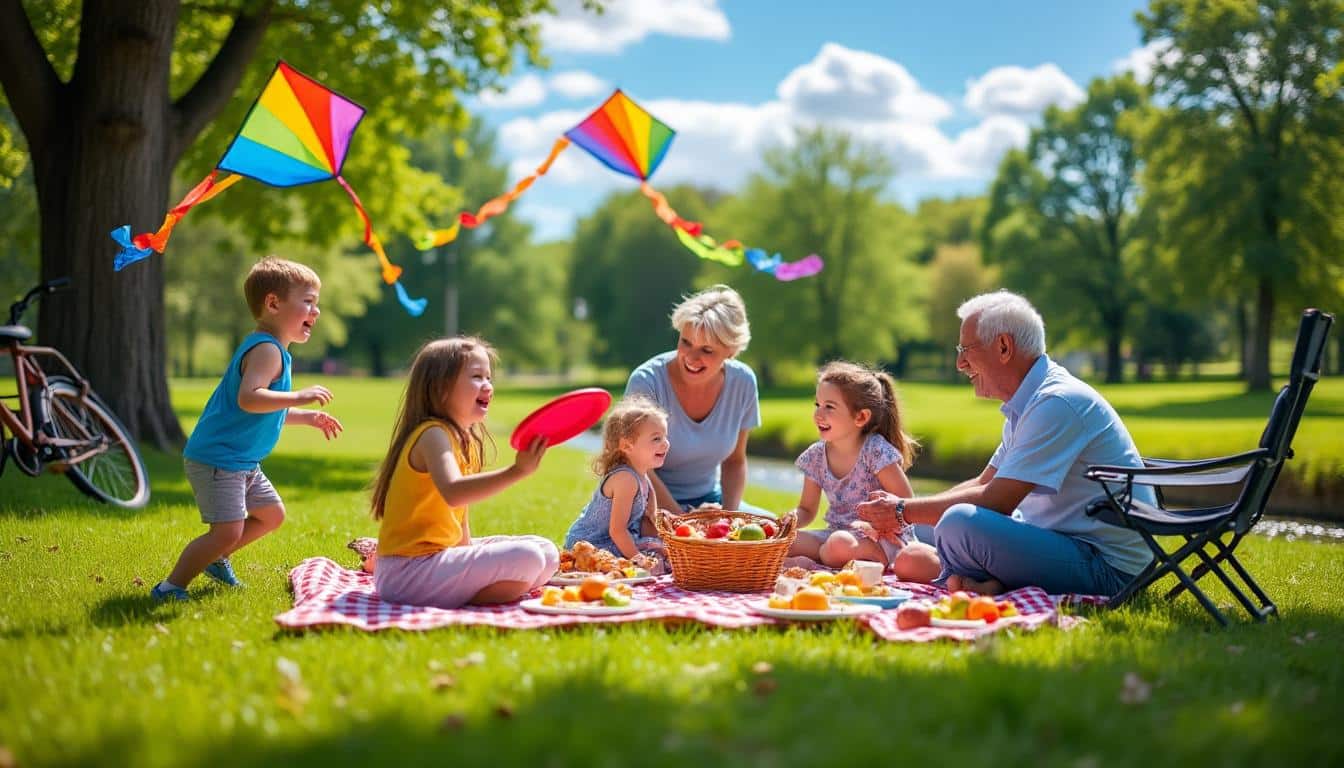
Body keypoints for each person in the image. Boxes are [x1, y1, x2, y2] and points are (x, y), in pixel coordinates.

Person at [857, 291, 1154, 596]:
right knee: (922, 527)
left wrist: (902, 510)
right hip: (1062, 543)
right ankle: (974, 579)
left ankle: (959, 577)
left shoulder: (1056, 402)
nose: (960, 363)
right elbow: (984, 481)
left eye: (965, 349)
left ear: (1003, 346)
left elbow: (997, 500)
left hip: (1107, 567)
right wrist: (906, 513)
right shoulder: (1028, 402)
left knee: (957, 523)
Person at [152, 257, 344, 602]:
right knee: (226, 531)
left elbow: (265, 411)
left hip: (241, 462)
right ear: (273, 303)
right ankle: (171, 587)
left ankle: (217, 558)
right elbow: (249, 398)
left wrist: (305, 416)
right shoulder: (267, 350)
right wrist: (297, 395)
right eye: (308, 302)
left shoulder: (275, 351)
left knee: (271, 515)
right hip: (219, 460)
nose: (315, 312)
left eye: (316, 303)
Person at [370, 336, 559, 609]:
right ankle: (467, 596)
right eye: (476, 376)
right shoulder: (432, 434)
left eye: (489, 377)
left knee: (547, 552)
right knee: (528, 557)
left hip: (436, 560)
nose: (488, 386)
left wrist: (469, 557)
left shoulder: (463, 438)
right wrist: (517, 471)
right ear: (441, 388)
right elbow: (454, 492)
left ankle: (466, 590)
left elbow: (460, 519)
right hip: (406, 573)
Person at [784, 361, 941, 582]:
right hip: (838, 534)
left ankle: (827, 563)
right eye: (817, 404)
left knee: (835, 547)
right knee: (786, 541)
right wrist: (789, 520)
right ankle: (825, 562)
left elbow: (905, 500)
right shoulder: (815, 456)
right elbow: (806, 509)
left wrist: (879, 527)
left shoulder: (874, 450)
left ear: (860, 417)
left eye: (829, 406)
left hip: (882, 539)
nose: (819, 413)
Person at [624, 284, 767, 514]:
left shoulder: (743, 382)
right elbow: (638, 467)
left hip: (710, 501)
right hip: (643, 504)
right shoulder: (646, 382)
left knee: (779, 538)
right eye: (686, 342)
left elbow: (735, 461)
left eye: (707, 350)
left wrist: (728, 519)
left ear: (731, 351)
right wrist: (683, 522)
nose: (691, 357)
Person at [564, 395, 671, 559]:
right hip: (590, 544)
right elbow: (617, 530)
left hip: (614, 540)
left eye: (665, 436)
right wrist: (639, 559)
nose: (666, 444)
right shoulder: (625, 479)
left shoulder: (644, 480)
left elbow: (650, 521)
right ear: (627, 445)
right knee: (656, 558)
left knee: (662, 552)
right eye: (656, 438)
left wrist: (670, 538)